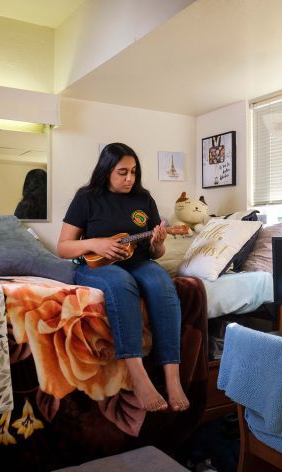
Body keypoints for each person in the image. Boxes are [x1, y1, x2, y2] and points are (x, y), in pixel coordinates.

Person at [57, 143, 189, 413]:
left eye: (133, 172)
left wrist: (159, 243)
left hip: (139, 261)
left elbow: (156, 252)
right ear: (107, 172)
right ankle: (139, 376)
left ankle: (172, 379)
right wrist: (95, 243)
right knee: (121, 283)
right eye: (122, 172)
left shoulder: (144, 199)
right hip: (96, 266)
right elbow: (63, 247)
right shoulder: (86, 198)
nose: (130, 178)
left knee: (162, 283)